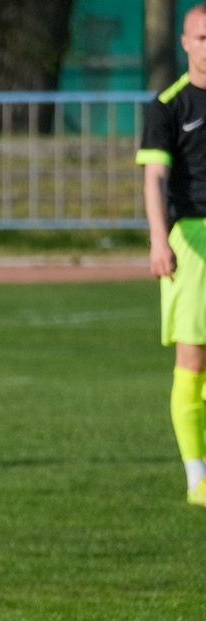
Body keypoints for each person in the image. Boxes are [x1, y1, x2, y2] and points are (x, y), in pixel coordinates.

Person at [139, 4, 206, 507]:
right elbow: (155, 177)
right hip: (191, 238)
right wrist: (159, 239)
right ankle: (196, 477)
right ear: (185, 43)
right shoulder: (168, 106)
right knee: (193, 357)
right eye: (202, 38)